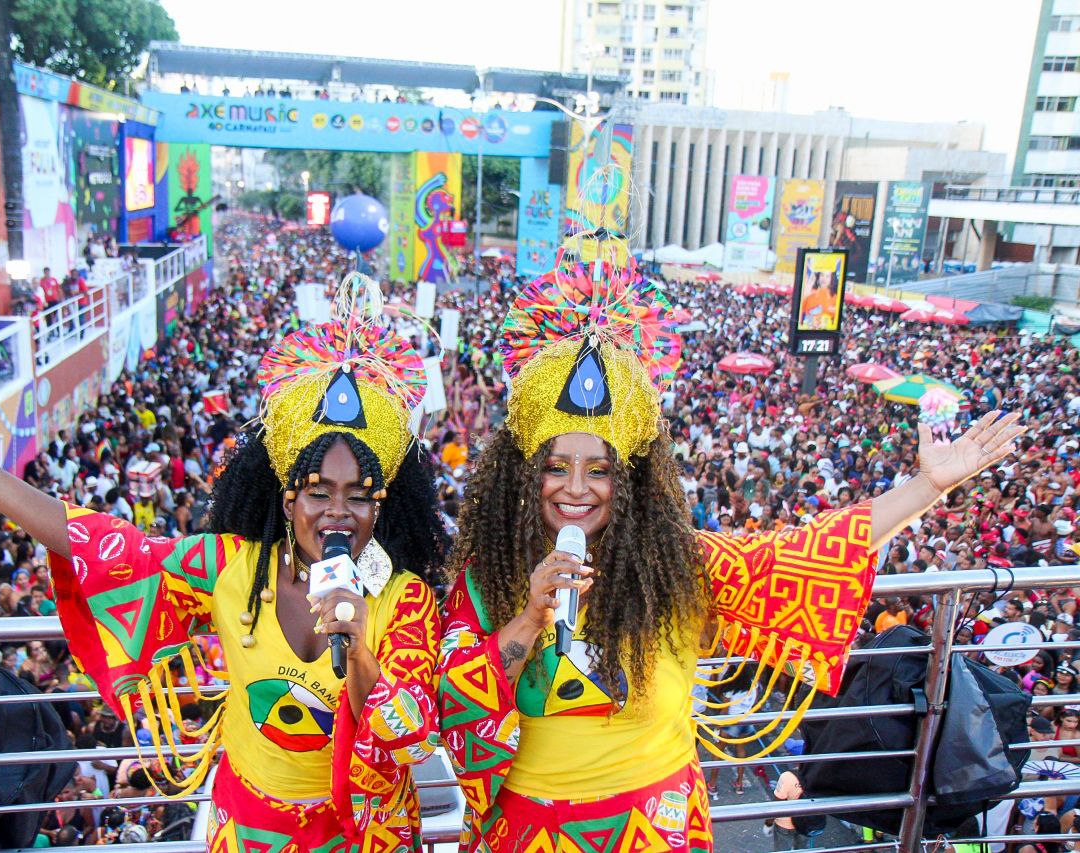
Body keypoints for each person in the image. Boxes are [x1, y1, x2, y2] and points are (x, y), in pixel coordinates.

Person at [436, 244, 1025, 852]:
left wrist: (928, 485)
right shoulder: (487, 577)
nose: (577, 488)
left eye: (601, 470)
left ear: (631, 478)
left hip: (652, 828)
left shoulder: (679, 565)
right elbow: (451, 712)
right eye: (557, 467)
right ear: (525, 472)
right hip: (524, 831)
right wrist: (529, 619)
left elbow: (813, 551)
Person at [0, 274, 451, 851]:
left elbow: (410, 742)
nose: (338, 512)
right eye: (318, 491)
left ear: (381, 506)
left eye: (359, 495)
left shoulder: (405, 600)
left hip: (365, 832)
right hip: (248, 827)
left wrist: (358, 651)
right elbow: (105, 547)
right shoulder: (229, 566)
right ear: (288, 500)